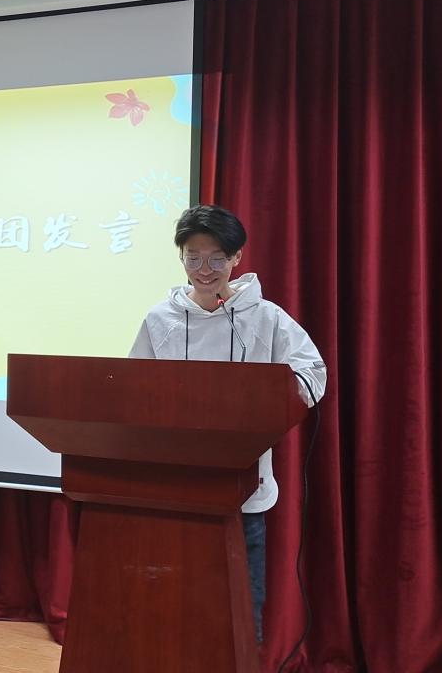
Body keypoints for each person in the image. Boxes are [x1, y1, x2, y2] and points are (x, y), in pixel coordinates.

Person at [129, 204, 326, 644]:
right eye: (193, 257)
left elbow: (313, 373)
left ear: (237, 257)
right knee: (177, 606)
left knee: (240, 611)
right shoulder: (160, 318)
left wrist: (269, 400)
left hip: (244, 492)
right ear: (181, 257)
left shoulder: (265, 316)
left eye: (217, 258)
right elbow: (134, 387)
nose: (204, 270)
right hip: (177, 490)